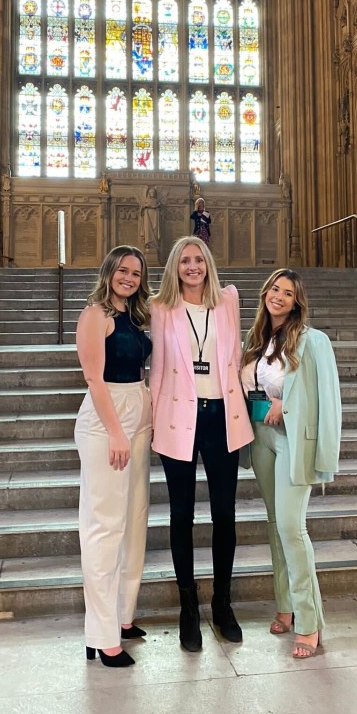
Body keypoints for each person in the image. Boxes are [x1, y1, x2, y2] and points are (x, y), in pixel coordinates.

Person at [150, 236, 253, 651]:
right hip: (179, 418)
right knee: (181, 516)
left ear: (208, 264)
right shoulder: (161, 308)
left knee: (224, 514)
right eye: (185, 261)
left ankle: (223, 602)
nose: (192, 267)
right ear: (175, 267)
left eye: (198, 260)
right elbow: (157, 370)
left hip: (223, 417)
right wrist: (149, 426)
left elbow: (238, 356)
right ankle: (188, 607)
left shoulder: (228, 300)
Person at [240, 269, 341, 659]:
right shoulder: (258, 340)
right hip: (261, 437)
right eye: (274, 289)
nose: (278, 297)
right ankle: (284, 605)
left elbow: (327, 400)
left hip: (292, 440)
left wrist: (287, 405)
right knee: (273, 524)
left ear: (297, 301)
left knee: (291, 528)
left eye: (288, 293)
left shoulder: (313, 341)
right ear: (265, 293)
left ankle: (309, 621)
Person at [74, 245, 153, 668]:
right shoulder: (95, 315)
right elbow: (93, 377)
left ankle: (122, 617)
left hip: (137, 420)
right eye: (123, 270)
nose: (129, 278)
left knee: (134, 520)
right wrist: (116, 431)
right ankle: (101, 636)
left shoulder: (136, 316)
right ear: (109, 271)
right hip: (107, 423)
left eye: (136, 273)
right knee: (104, 527)